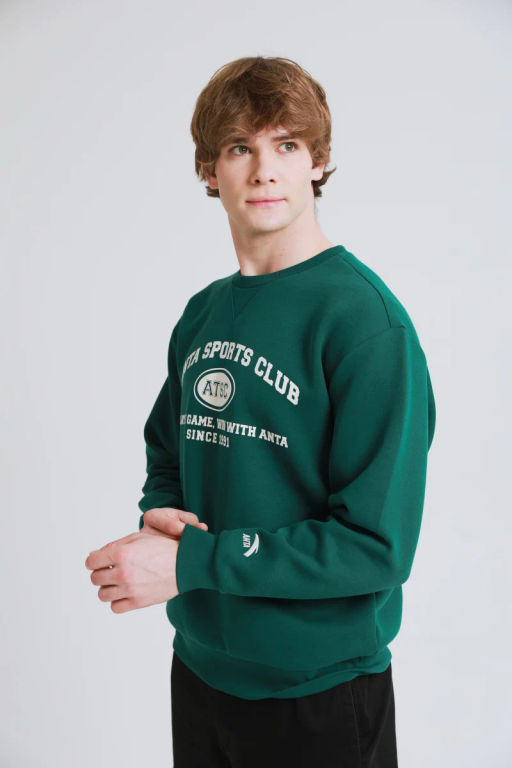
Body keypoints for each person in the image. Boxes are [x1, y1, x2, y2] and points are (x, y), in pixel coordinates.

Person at [85, 55, 436, 767]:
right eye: (240, 148)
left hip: (319, 695)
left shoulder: (366, 325)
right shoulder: (204, 313)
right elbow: (168, 454)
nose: (265, 171)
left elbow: (376, 547)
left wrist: (193, 562)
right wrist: (162, 517)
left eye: (287, 145)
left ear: (318, 162)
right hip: (202, 672)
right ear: (210, 171)